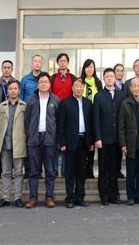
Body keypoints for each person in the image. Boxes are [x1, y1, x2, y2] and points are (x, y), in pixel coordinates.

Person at [24, 72, 60, 208]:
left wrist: (56, 138)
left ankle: (49, 197)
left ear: (50, 84)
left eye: (46, 81)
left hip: (49, 139)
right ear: (37, 84)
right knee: (33, 171)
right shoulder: (31, 100)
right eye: (41, 82)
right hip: (34, 139)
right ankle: (33, 198)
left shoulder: (55, 100)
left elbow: (58, 121)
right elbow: (27, 120)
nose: (43, 84)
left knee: (50, 171)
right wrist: (30, 134)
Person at [58, 78, 94, 208]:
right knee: (70, 172)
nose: (79, 88)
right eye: (76, 86)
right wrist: (62, 142)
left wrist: (91, 141)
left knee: (81, 171)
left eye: (81, 86)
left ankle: (80, 197)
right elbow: (61, 125)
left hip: (84, 141)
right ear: (72, 88)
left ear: (83, 88)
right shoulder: (65, 103)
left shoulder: (88, 103)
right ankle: (70, 198)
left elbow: (91, 124)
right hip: (70, 142)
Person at [118, 77, 139, 205]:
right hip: (131, 144)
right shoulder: (125, 103)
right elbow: (121, 126)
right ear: (130, 88)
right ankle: (131, 197)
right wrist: (123, 144)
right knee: (131, 172)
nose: (136, 88)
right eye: (134, 86)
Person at [93, 68, 124, 205]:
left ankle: (113, 195)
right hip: (104, 139)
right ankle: (104, 196)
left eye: (112, 76)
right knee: (103, 168)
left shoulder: (121, 96)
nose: (110, 78)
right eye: (107, 76)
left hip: (117, 139)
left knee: (114, 168)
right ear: (104, 79)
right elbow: (96, 119)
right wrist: (97, 138)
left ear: (115, 78)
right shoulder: (99, 96)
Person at [0, 80, 27, 208]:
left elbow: (27, 125)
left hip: (19, 143)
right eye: (10, 89)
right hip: (5, 144)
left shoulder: (24, 106)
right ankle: (5, 198)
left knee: (18, 172)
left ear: (19, 91)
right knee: (6, 172)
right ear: (7, 91)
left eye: (15, 89)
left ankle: (18, 197)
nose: (13, 91)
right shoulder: (1, 106)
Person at [0, 61, 18, 181]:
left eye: (9, 67)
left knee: (10, 144)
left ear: (12, 69)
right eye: (4, 67)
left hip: (11, 115)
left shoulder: (16, 82)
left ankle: (10, 170)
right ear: (1, 69)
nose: (6, 69)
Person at [50, 53, 77, 177]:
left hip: (69, 113)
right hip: (54, 113)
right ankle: (54, 169)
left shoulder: (73, 78)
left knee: (66, 142)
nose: (62, 62)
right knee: (55, 142)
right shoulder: (52, 78)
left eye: (65, 60)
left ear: (67, 62)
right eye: (60, 60)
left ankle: (65, 170)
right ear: (58, 63)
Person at [80, 58, 102, 179]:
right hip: (83, 115)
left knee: (92, 144)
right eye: (87, 67)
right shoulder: (80, 82)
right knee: (83, 144)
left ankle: (90, 169)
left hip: (95, 116)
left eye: (92, 67)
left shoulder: (98, 83)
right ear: (84, 69)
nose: (89, 69)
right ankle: (82, 168)